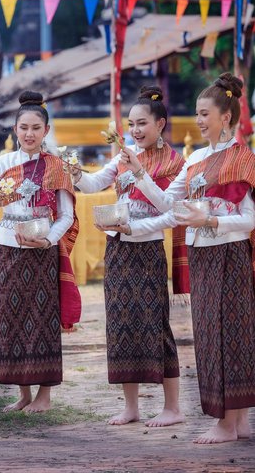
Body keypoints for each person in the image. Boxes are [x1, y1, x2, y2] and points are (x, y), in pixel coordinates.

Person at [121, 73, 255, 444]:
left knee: (231, 337)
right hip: (202, 255)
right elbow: (169, 204)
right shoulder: (196, 158)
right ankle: (235, 421)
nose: (197, 120)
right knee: (210, 337)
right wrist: (140, 174)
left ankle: (231, 423)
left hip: (230, 254)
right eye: (197, 113)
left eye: (203, 113)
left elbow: (251, 218)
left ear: (225, 117)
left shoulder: (244, 159)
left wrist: (211, 219)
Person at [70, 86, 187, 427]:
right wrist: (76, 172)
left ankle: (173, 408)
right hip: (118, 248)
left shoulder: (174, 162)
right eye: (131, 125)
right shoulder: (123, 154)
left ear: (160, 124)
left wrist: (139, 173)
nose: (135, 131)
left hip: (147, 251)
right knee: (120, 325)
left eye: (142, 124)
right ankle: (131, 407)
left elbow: (171, 210)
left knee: (156, 325)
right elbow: (93, 185)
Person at [0, 91, 81, 412]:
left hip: (41, 252)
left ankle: (44, 396)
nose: (29, 134)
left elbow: (65, 216)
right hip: (6, 249)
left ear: (46, 131)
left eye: (36, 128)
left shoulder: (57, 166)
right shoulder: (2, 163)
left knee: (42, 318)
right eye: (23, 128)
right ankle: (23, 393)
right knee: (12, 317)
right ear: (15, 130)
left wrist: (48, 241)